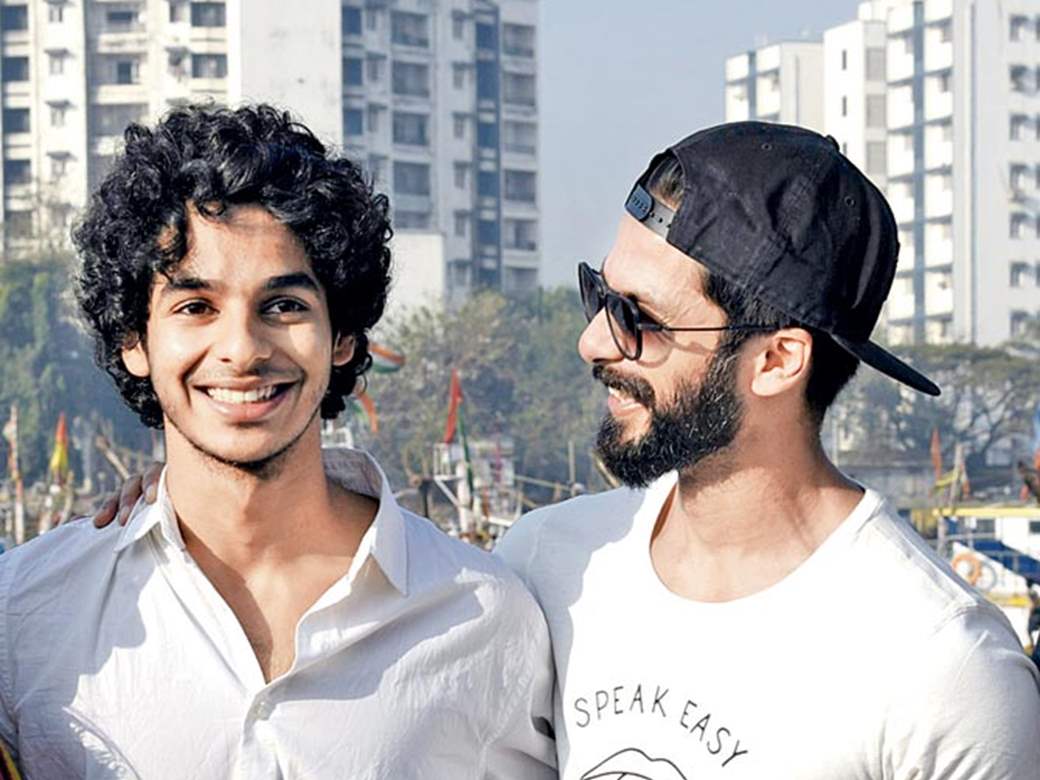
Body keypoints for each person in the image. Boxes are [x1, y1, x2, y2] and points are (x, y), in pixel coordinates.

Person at [0, 104, 554, 777]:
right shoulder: (26, 614)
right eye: (195, 307)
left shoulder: (484, 618)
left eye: (285, 305)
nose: (240, 349)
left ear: (343, 335)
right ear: (134, 340)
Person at [494, 122, 1040, 777]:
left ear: (779, 360)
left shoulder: (942, 667)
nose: (593, 343)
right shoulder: (548, 565)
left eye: (638, 318)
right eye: (599, 294)